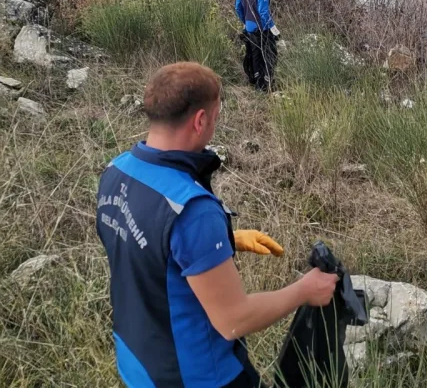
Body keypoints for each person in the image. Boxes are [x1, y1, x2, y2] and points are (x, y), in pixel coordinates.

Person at [96, 62, 338, 388]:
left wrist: (227, 240)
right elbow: (233, 320)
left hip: (138, 366)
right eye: (215, 116)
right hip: (198, 378)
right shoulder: (192, 209)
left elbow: (147, 249)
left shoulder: (117, 172)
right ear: (200, 120)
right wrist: (305, 291)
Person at [235, 0, 280, 91]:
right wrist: (272, 28)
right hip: (262, 27)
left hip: (249, 27)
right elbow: (263, 11)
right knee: (269, 54)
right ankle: (266, 83)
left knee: (254, 54)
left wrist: (245, 22)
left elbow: (238, 7)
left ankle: (255, 81)